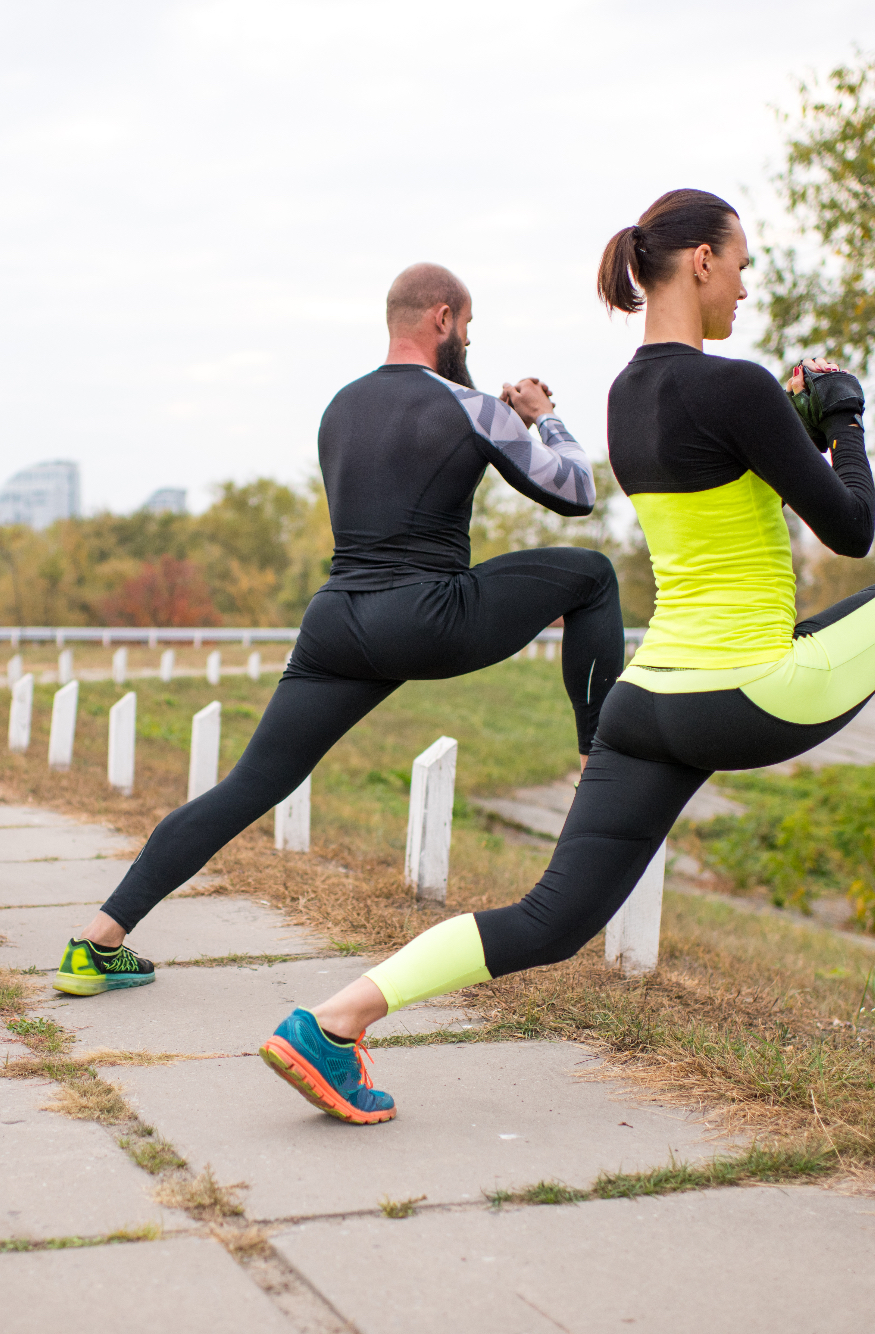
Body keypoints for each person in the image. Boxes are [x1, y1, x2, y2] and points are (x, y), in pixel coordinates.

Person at [259, 190, 875, 1125]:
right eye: (742, 265)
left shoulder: (626, 396)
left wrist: (793, 423)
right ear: (699, 262)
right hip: (745, 690)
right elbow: (850, 527)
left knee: (550, 919)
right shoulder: (736, 385)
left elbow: (731, 479)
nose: (746, 287)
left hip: (647, 705)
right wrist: (844, 419)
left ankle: (333, 1021)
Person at [53, 262, 625, 996]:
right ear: (443, 319)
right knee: (593, 575)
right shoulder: (472, 406)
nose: (468, 343)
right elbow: (574, 491)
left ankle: (97, 942)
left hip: (337, 623)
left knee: (247, 785)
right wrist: (543, 413)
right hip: (427, 616)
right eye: (468, 329)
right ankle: (595, 765)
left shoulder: (339, 407)